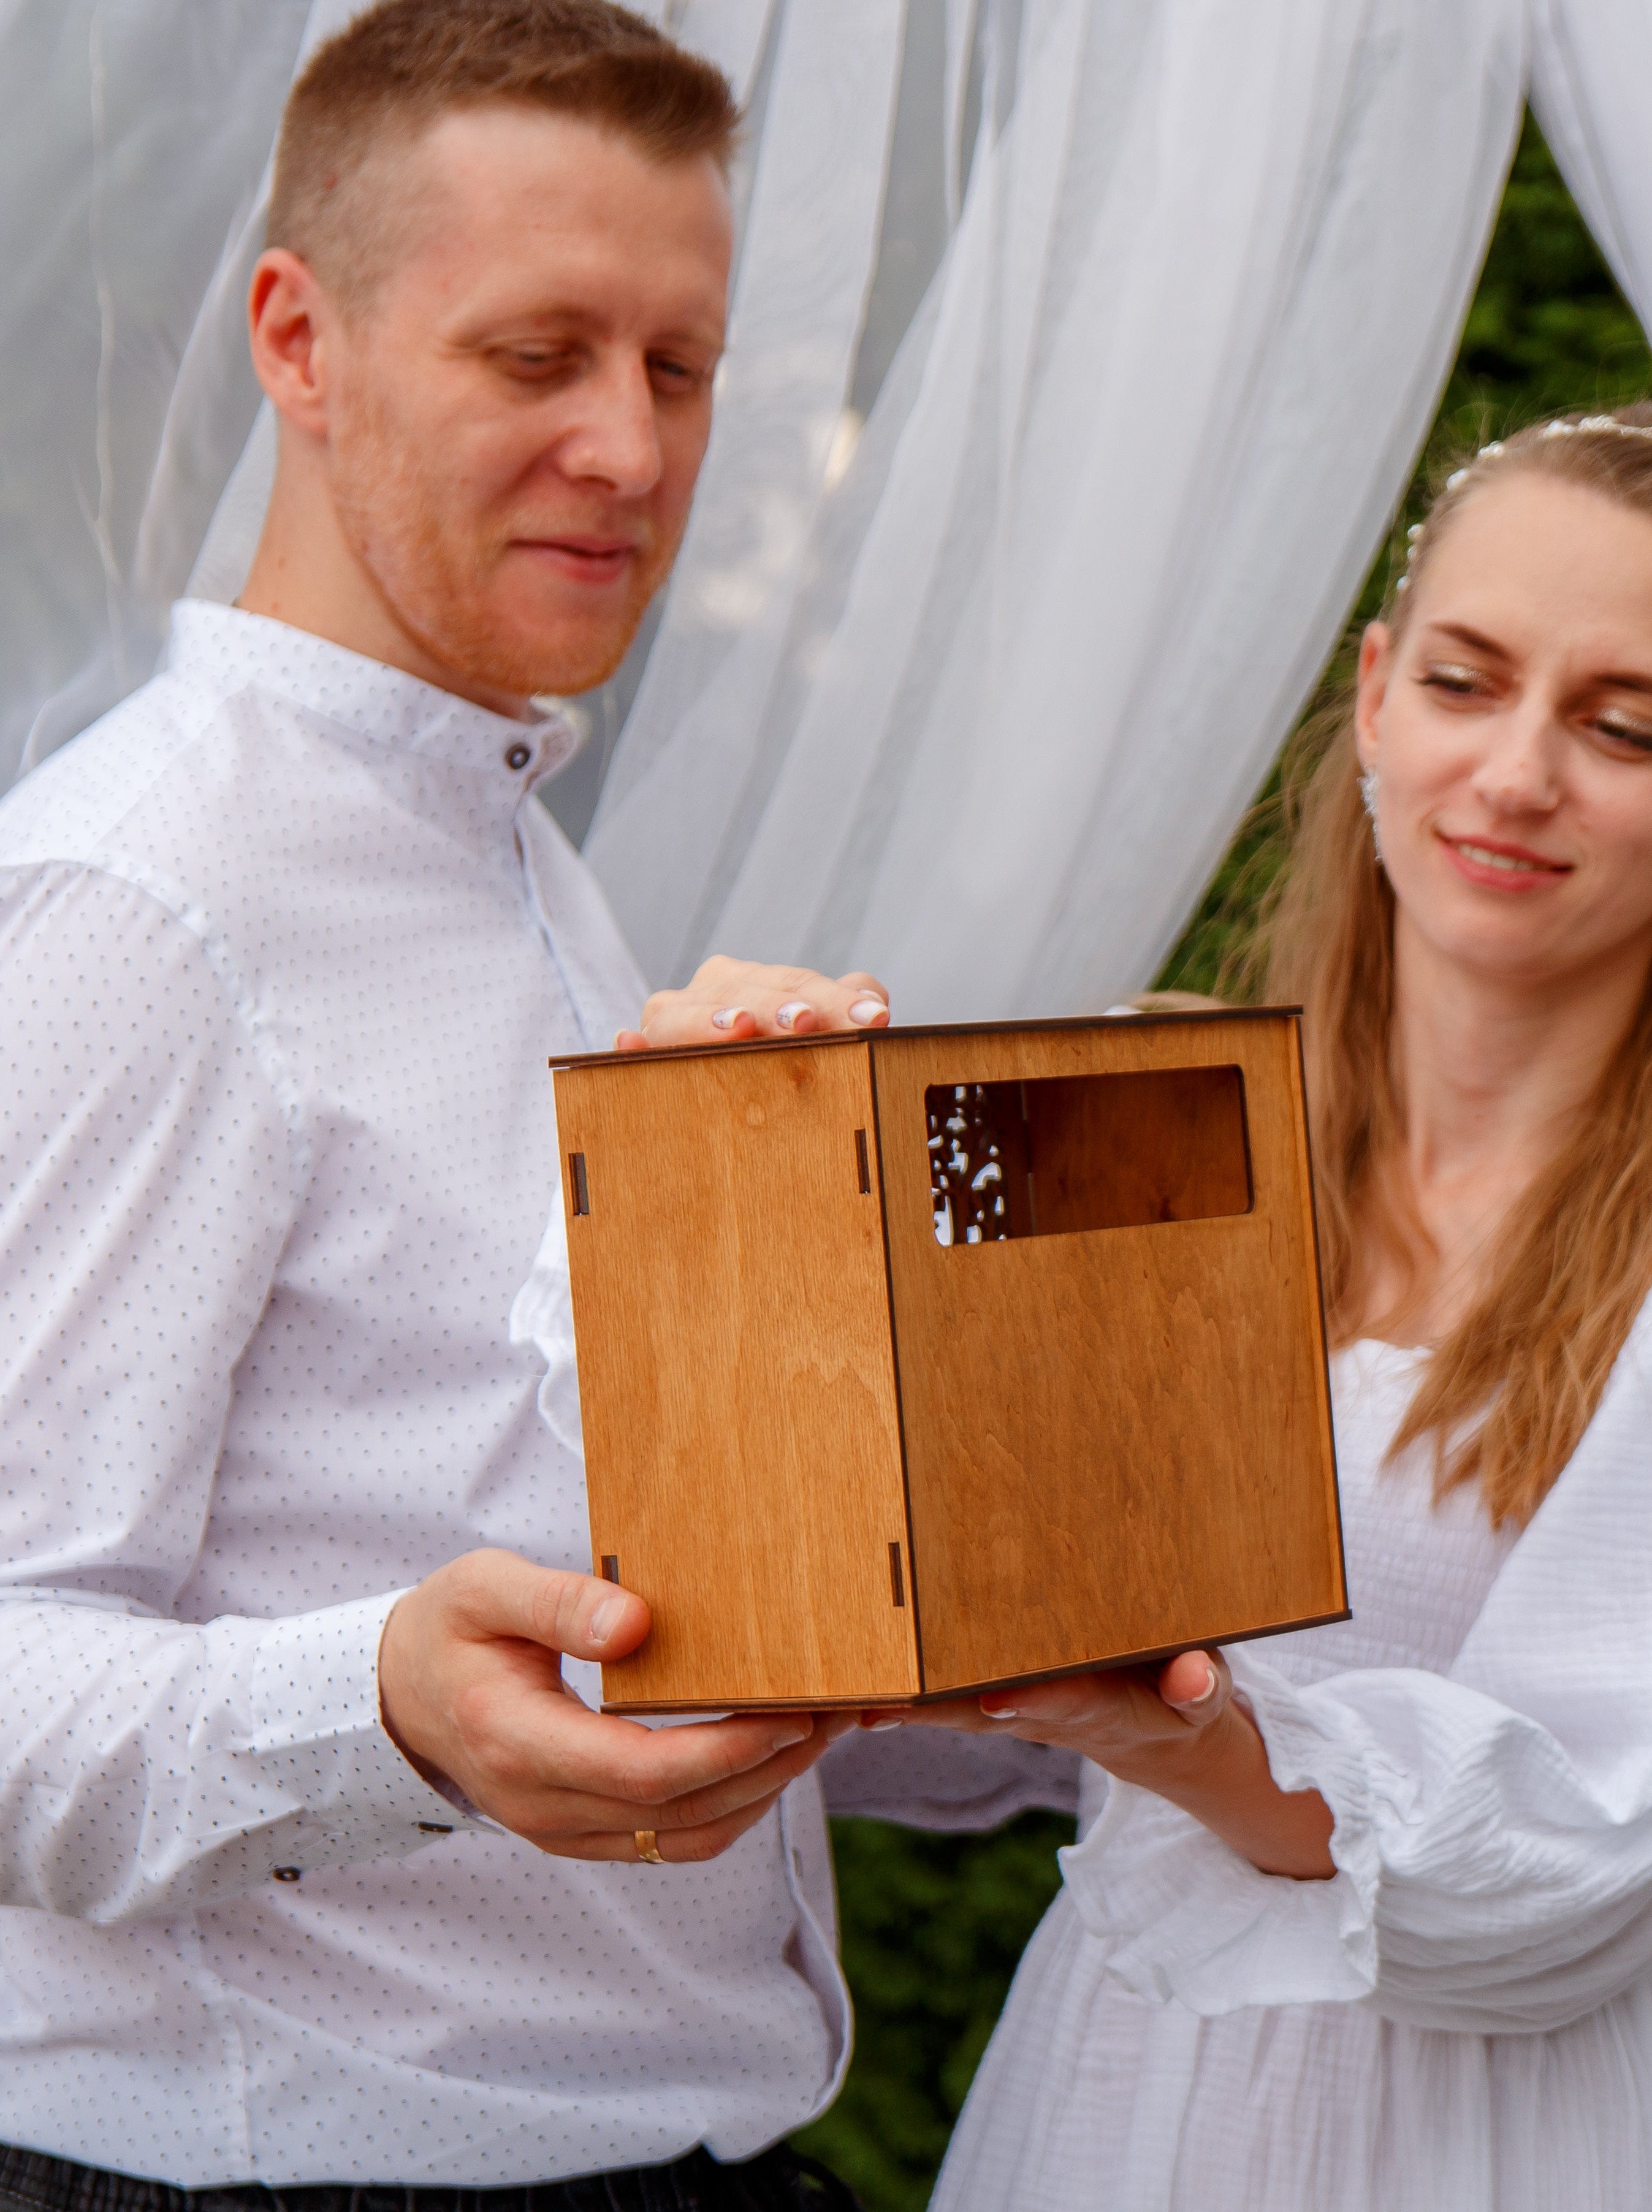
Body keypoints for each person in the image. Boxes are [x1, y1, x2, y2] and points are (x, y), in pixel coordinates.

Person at [0, 5, 1072, 2205]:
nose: (629, 447)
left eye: (678, 368)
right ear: (299, 339)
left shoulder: (522, 858)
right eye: (537, 355)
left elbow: (566, 1553)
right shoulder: (143, 899)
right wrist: (390, 1707)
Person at [889, 403, 1652, 2210]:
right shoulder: (1117, 1112)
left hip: (1528, 2147)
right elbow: (893, 1613)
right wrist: (761, 1139)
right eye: (1466, 680)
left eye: (1620, 726)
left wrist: (1189, 1733)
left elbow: (1586, 1853)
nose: (1518, 773)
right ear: (1374, 694)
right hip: (1126, 2095)